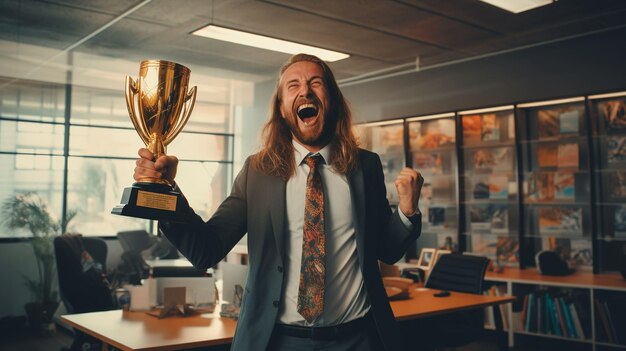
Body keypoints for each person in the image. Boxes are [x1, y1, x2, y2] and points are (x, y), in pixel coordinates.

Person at [133, 53, 424, 351]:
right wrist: (165, 190)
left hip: (358, 339)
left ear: (332, 100)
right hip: (279, 341)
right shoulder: (257, 171)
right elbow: (206, 249)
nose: (305, 91)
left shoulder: (365, 167)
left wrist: (407, 211)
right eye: (293, 85)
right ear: (282, 109)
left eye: (315, 83)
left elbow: (386, 250)